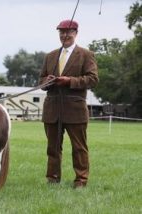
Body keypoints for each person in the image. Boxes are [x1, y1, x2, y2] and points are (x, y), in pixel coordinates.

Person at [39, 20, 99, 188]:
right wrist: (47, 81)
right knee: (53, 148)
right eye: (61, 32)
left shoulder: (86, 54)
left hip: (75, 110)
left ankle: (81, 181)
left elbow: (93, 79)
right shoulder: (50, 56)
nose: (64, 35)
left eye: (68, 32)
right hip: (52, 110)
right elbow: (41, 80)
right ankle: (52, 178)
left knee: (79, 148)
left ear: (76, 33)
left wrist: (69, 81)